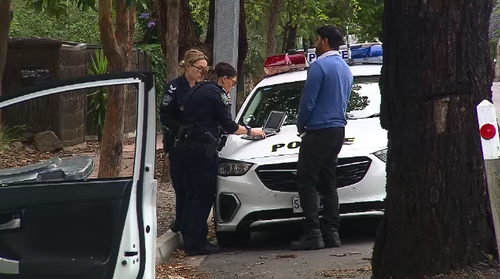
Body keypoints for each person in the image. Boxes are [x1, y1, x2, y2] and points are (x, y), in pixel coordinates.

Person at [176, 62, 266, 256]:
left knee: (192, 194)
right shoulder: (216, 94)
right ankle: (197, 244)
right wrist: (252, 131)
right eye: (232, 83)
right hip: (201, 149)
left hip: (185, 146)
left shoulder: (198, 88)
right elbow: (229, 126)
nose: (232, 87)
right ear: (224, 79)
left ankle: (191, 240)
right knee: (204, 195)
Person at [290, 25, 353, 251]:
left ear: (325, 41)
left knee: (306, 181)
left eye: (317, 39)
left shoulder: (318, 67)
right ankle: (332, 233)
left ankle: (312, 234)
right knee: (329, 182)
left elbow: (308, 101)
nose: (315, 43)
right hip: (338, 130)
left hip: (318, 131)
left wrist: (301, 126)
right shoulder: (345, 69)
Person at [159, 49, 208, 234]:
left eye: (205, 68)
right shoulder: (174, 88)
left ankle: (187, 224)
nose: (202, 72)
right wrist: (181, 128)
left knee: (194, 187)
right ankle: (182, 223)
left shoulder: (202, 88)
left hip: (196, 145)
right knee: (181, 186)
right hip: (179, 144)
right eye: (199, 68)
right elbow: (165, 116)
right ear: (188, 66)